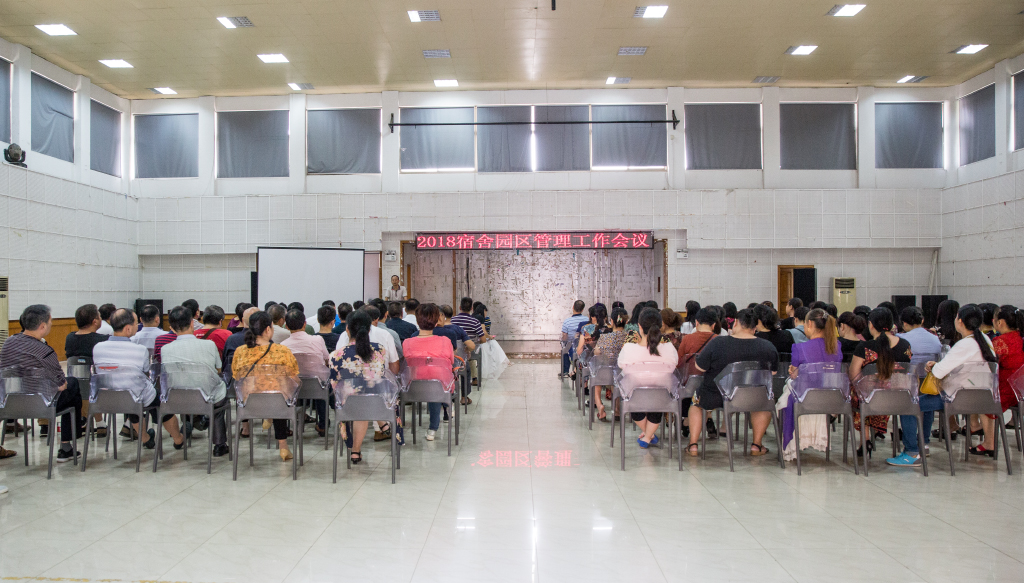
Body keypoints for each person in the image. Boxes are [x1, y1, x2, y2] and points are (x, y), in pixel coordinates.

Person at [687, 308, 779, 456]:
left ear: (735, 323)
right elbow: (772, 372)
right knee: (763, 405)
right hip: (754, 396)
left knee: (696, 404)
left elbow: (700, 367)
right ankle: (756, 445)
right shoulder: (768, 347)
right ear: (755, 327)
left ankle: (693, 445)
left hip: (716, 395)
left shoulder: (718, 343)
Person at [93, 309, 188, 451]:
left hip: (107, 397)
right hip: (135, 396)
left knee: (132, 395)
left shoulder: (97, 348)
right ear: (128, 328)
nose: (138, 326)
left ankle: (145, 438)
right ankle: (177, 438)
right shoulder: (139, 350)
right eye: (137, 323)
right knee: (161, 399)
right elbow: (146, 370)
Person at [1, 305, 84, 463]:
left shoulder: (8, 343)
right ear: (43, 326)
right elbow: (62, 385)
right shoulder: (45, 351)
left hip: (9, 405)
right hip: (40, 405)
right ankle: (66, 447)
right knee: (72, 385)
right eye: (51, 321)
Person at [937, 305, 1017, 457]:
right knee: (976, 385)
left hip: (979, 395)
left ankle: (916, 448)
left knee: (925, 401)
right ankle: (978, 431)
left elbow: (939, 371)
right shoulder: (987, 339)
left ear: (960, 321)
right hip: (997, 392)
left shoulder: (968, 344)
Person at [160, 305, 230, 454]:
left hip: (177, 399)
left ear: (171, 328)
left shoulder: (165, 349)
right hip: (207, 397)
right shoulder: (209, 345)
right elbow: (218, 369)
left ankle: (191, 423)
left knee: (185, 385)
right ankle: (219, 444)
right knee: (220, 399)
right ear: (192, 323)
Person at [230, 311, 298, 460]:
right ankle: (283, 447)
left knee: (271, 392)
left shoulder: (240, 352)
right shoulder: (282, 351)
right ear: (268, 329)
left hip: (248, 404)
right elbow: (293, 377)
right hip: (277, 404)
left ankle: (269, 416)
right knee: (280, 393)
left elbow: (236, 378)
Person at [329, 310, 395, 463]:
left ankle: (356, 451)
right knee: (366, 393)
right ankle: (379, 424)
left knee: (358, 396)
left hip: (346, 405)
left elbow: (334, 384)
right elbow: (379, 376)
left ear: (347, 329)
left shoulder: (336, 355)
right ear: (369, 330)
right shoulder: (379, 350)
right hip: (376, 403)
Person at [848, 307, 913, 458]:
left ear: (870, 325)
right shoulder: (905, 345)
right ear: (892, 325)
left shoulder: (865, 347)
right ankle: (875, 432)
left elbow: (853, 375)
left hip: (871, 400)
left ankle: (865, 440)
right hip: (899, 399)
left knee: (858, 392)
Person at [780, 308, 843, 460]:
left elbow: (794, 375)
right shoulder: (837, 346)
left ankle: (789, 444)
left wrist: (793, 370)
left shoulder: (800, 348)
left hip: (805, 398)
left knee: (783, 400)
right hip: (831, 398)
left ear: (809, 324)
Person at [617, 308, 678, 448]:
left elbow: (620, 365)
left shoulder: (629, 348)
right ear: (660, 326)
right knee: (658, 401)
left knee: (632, 399)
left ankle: (647, 436)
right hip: (662, 398)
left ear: (639, 326)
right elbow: (675, 363)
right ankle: (648, 435)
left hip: (635, 399)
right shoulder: (669, 348)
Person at [401, 304, 457, 442]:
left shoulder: (407, 343)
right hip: (440, 389)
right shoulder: (445, 341)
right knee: (435, 378)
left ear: (417, 320)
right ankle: (433, 428)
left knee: (429, 377)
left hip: (413, 389)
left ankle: (432, 428)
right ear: (437, 321)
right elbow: (451, 361)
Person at [65, 304, 109, 438]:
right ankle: (101, 423)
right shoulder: (102, 340)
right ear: (95, 321)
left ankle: (89, 421)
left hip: (75, 387)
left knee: (87, 383)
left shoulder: (69, 338)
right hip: (99, 387)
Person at [676, 308, 719, 436]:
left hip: (689, 386)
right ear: (714, 325)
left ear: (696, 322)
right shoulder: (719, 341)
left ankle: (687, 421)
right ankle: (708, 416)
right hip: (711, 386)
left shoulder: (687, 339)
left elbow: (679, 363)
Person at [223, 306, 258, 382]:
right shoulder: (266, 341)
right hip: (260, 382)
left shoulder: (231, 339)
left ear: (242, 320)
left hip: (235, 383)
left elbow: (224, 366)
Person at [559, 300, 588, 377]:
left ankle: (565, 371)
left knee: (564, 346)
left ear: (573, 307)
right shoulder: (587, 320)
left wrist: (564, 341)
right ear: (582, 310)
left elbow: (565, 337)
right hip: (585, 346)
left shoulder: (567, 321)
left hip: (572, 347)